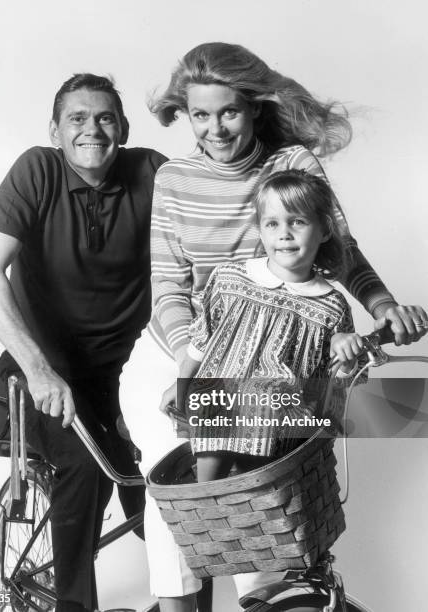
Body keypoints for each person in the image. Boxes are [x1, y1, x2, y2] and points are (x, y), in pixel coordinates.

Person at [118, 42, 428, 612]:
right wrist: (202, 369)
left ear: (255, 107)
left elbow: (342, 252)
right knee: (184, 482)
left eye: (229, 112)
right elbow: (169, 289)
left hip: (274, 351)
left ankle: (268, 600)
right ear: (185, 113)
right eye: (200, 114)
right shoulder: (176, 180)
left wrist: (383, 308)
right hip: (184, 348)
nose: (215, 128)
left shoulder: (292, 165)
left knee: (263, 486)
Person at [0, 73, 167, 612]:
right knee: (82, 467)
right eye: (77, 118)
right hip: (38, 370)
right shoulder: (37, 169)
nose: (92, 129)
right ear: (55, 130)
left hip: (115, 376)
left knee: (165, 495)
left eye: (105, 117)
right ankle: (74, 607)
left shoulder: (151, 171)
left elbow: (214, 231)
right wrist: (37, 369)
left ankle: (187, 600)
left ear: (123, 128)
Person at [164, 169, 368, 482]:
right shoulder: (230, 279)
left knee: (263, 400)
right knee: (214, 397)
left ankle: (261, 491)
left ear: (325, 229)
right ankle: (208, 493)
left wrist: (348, 354)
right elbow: (201, 341)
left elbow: (337, 387)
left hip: (281, 418)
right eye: (272, 223)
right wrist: (179, 383)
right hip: (220, 406)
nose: (284, 233)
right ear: (260, 230)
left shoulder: (330, 306)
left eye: (297, 221)